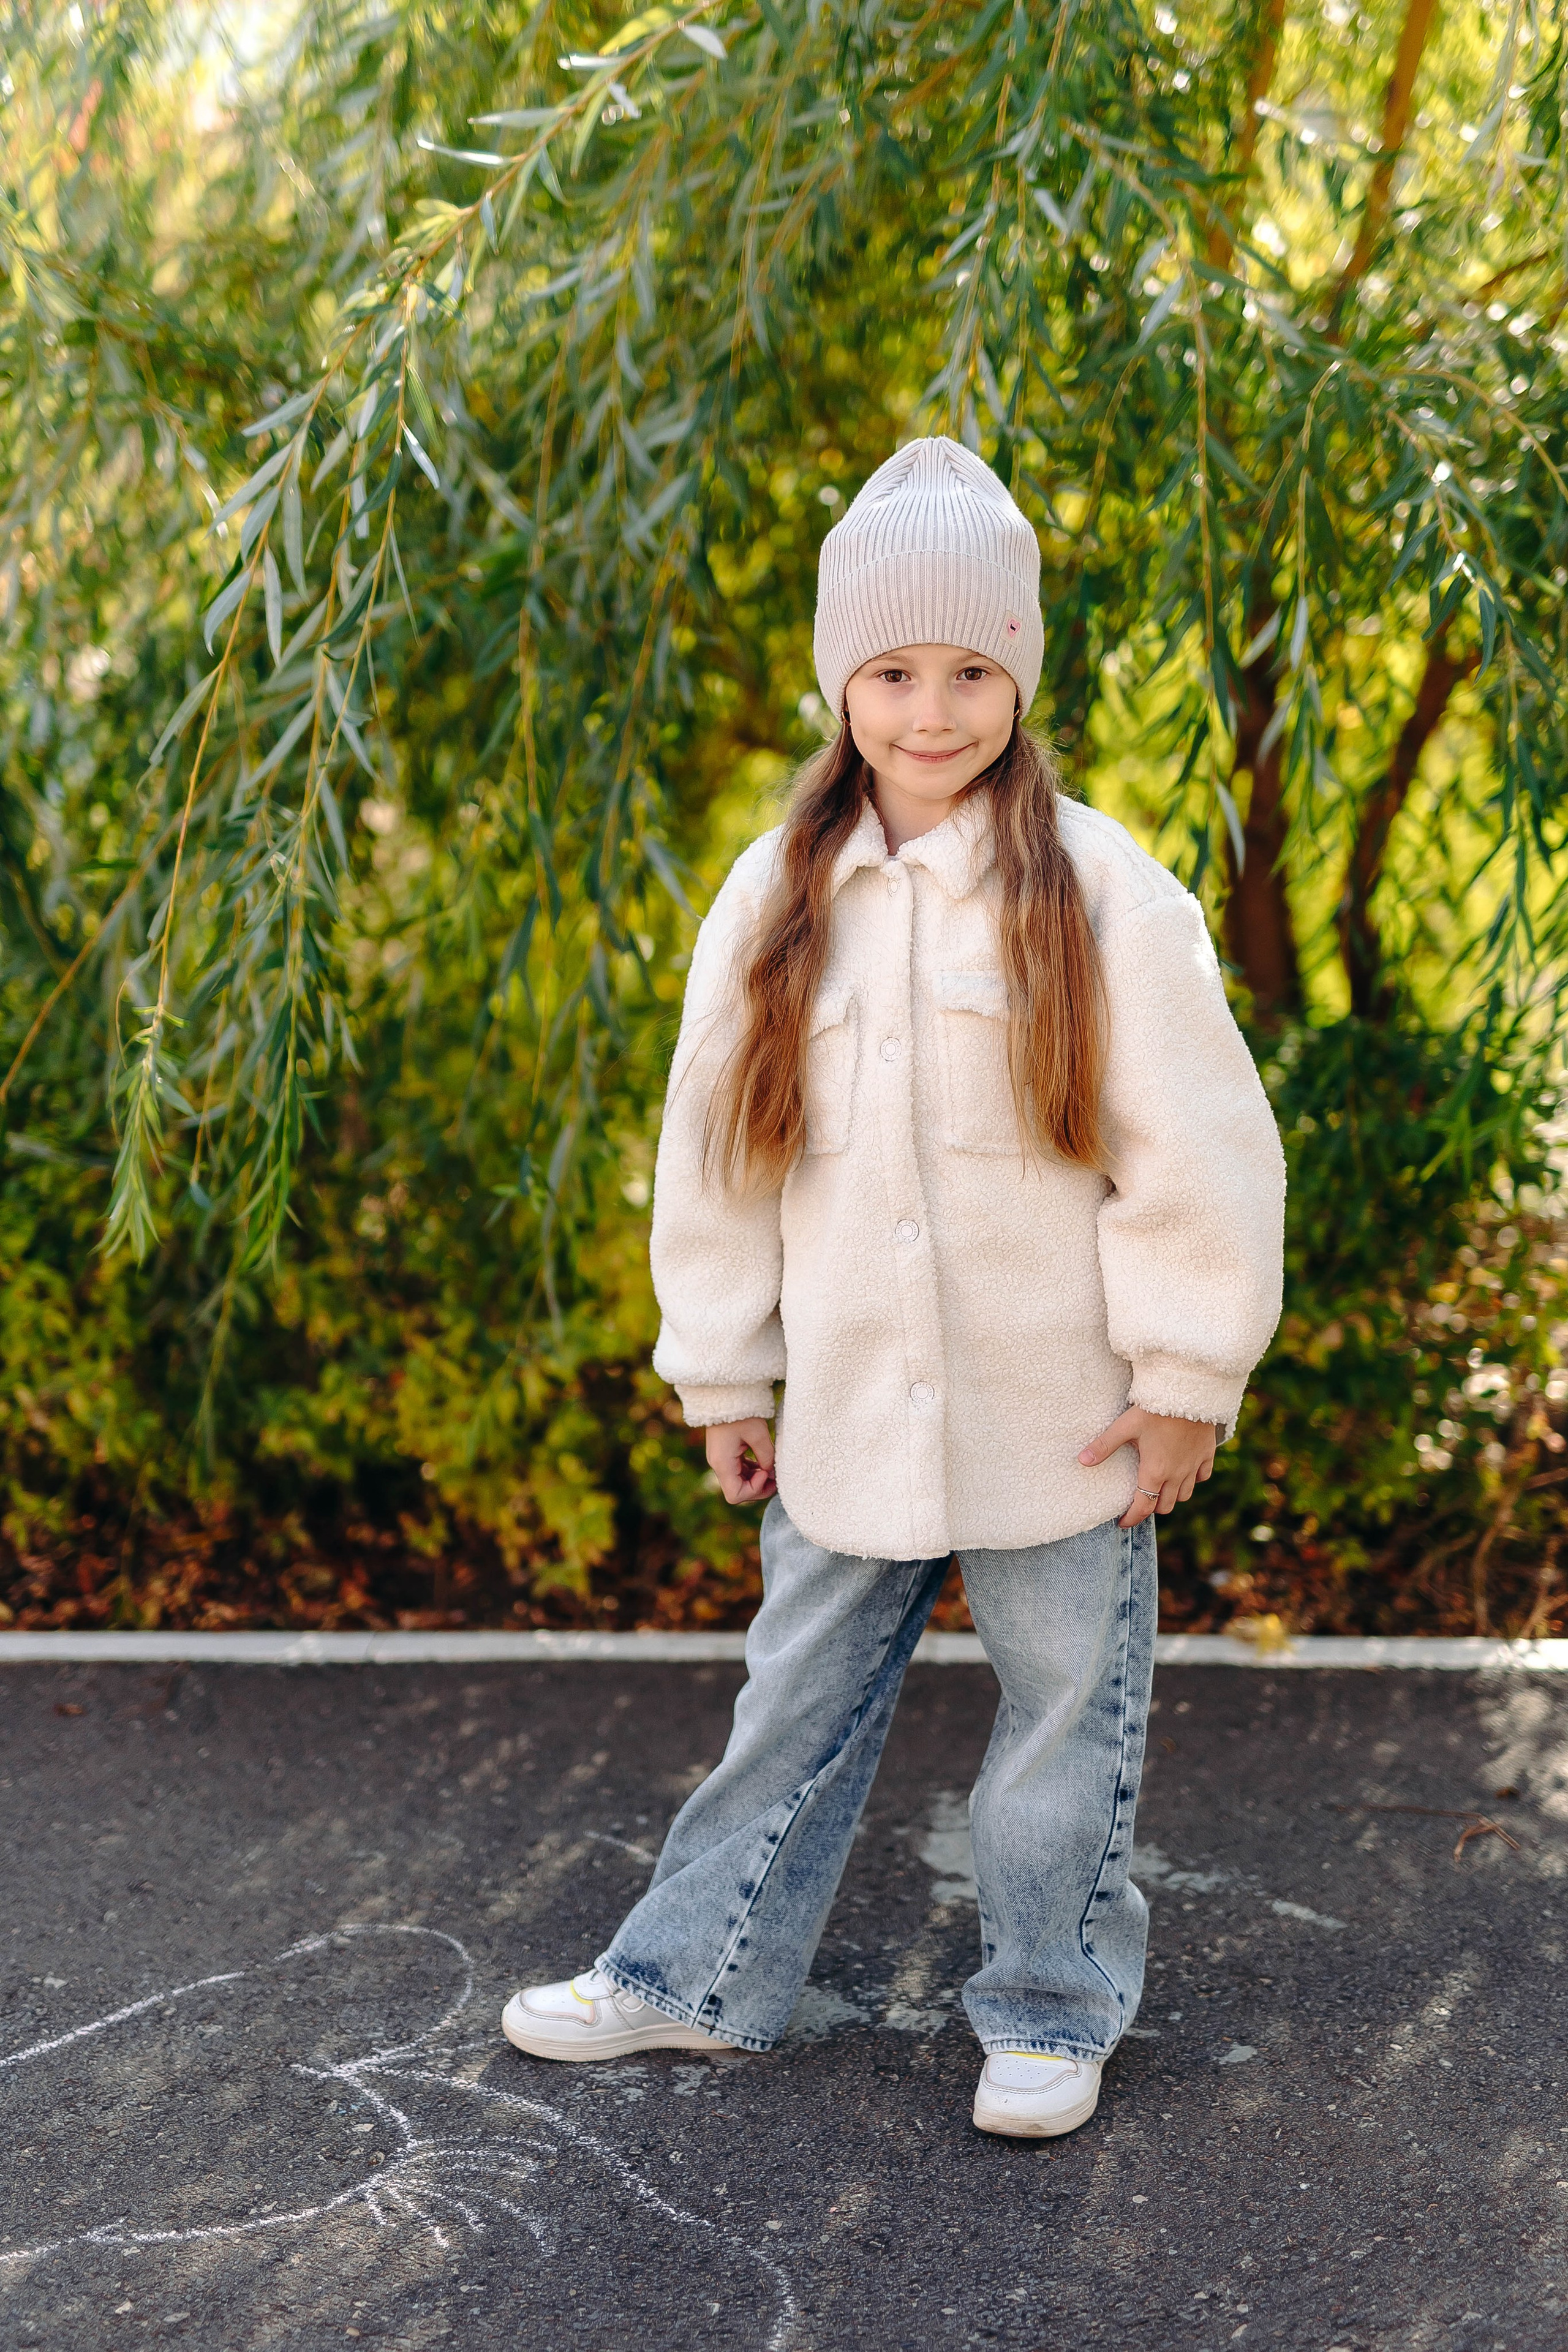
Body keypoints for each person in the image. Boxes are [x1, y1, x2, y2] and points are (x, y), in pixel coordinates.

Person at [502, 437, 1285, 2138]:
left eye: (973, 671)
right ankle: (694, 1981)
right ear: (839, 681)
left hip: (1063, 1421)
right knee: (787, 1705)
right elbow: (716, 1153)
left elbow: (1202, 1150)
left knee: (1067, 1720)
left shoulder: (1100, 891)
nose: (933, 711)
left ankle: (1053, 2005)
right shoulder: (778, 900)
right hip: (853, 1404)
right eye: (893, 672)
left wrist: (1182, 1376)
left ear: (1019, 675)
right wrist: (724, 1371)